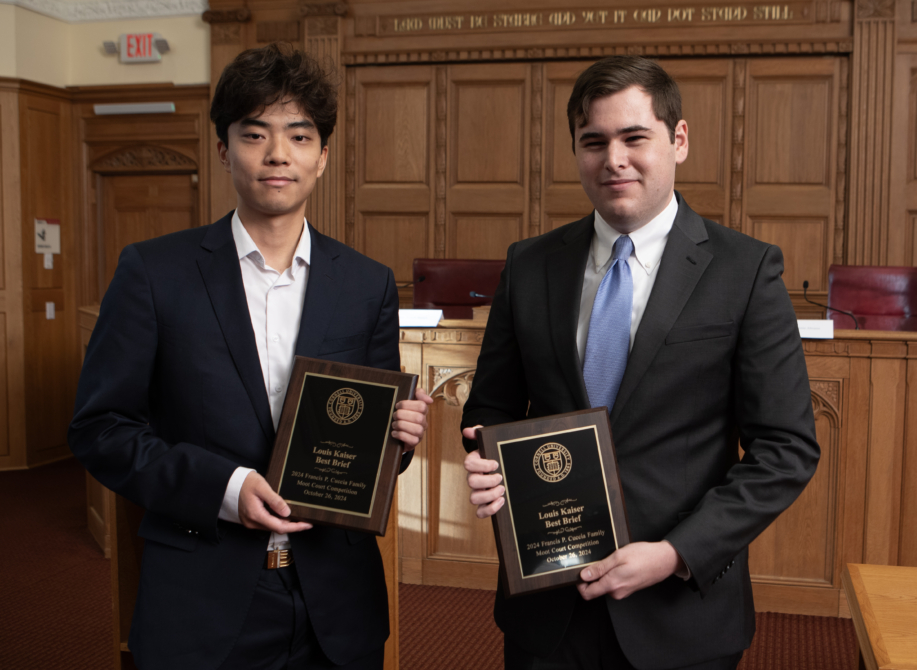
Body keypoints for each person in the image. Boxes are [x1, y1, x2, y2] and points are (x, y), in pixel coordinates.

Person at [69, 44, 431, 670]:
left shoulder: (367, 284)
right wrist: (225, 488)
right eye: (254, 133)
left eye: (298, 135)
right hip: (201, 596)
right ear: (223, 149)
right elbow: (100, 429)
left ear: (322, 154)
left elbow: (366, 453)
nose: (277, 154)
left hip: (336, 602)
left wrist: (398, 441)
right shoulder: (155, 273)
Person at [461, 56, 820, 670]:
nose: (613, 159)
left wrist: (676, 553)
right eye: (593, 141)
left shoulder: (746, 270)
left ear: (678, 141)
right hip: (547, 607)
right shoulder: (529, 265)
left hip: (680, 610)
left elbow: (786, 448)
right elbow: (490, 408)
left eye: (635, 138)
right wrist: (484, 460)